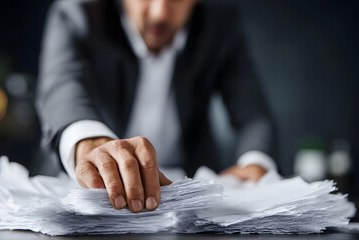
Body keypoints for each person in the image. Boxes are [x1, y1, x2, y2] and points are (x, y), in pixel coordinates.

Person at [36, 0, 277, 213]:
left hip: (188, 192)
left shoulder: (221, 23)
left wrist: (255, 162)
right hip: (79, 185)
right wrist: (90, 142)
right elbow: (61, 86)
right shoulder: (76, 14)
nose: (160, 13)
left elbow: (252, 114)